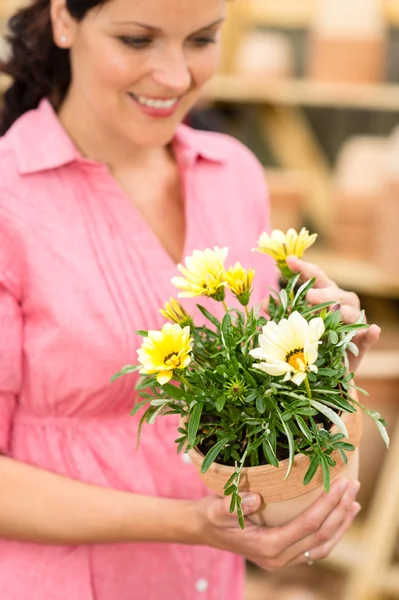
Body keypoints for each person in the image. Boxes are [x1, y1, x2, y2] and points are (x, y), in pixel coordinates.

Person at [0, 0, 380, 598]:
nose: (176, 77)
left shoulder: (234, 174)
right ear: (63, 20)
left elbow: (246, 407)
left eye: (201, 40)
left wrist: (318, 361)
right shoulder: (9, 200)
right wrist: (194, 524)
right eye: (136, 40)